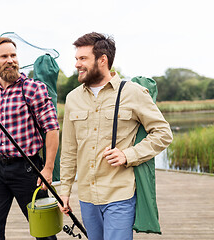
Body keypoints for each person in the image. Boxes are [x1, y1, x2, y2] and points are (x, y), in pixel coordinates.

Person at [58, 32, 173, 240]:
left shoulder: (134, 92)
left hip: (120, 195)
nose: (77, 64)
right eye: (76, 59)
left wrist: (129, 154)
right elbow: (68, 150)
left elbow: (163, 133)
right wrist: (64, 190)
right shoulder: (72, 98)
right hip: (86, 197)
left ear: (103, 60)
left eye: (83, 59)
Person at [0, 37, 59, 240]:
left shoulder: (33, 88)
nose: (10, 60)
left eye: (13, 55)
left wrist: (48, 168)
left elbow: (52, 129)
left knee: (43, 229)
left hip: (27, 168)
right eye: (4, 56)